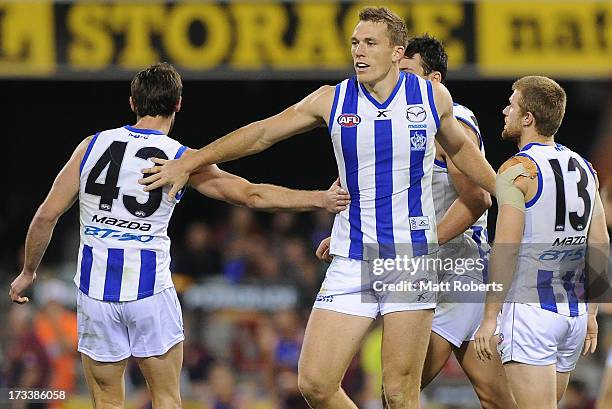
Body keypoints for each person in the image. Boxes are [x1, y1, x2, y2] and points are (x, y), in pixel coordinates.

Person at [140, 8, 497, 408]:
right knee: (315, 383)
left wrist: (512, 195)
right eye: (355, 43)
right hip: (352, 257)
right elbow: (261, 134)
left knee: (399, 393)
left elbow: (462, 151)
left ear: (397, 53)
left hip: (411, 260)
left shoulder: (431, 98)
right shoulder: (333, 98)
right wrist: (190, 161)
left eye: (370, 43)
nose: (359, 52)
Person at [8, 62, 350, 409]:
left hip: (95, 294)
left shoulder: (91, 146)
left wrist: (28, 272)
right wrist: (320, 199)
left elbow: (45, 216)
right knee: (168, 398)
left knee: (107, 401)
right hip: (150, 291)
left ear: (132, 103)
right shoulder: (180, 159)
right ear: (178, 105)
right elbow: (251, 195)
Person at [317, 34, 516, 409]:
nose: (398, 80)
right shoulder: (404, 120)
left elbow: (476, 198)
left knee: (397, 394)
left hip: (455, 269)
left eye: (407, 72)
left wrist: (414, 244)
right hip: (443, 267)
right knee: (494, 395)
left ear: (435, 80)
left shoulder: (450, 120)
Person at [474, 76, 609, 409]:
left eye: (512, 103)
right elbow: (600, 242)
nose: (505, 110)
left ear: (528, 118)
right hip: (573, 315)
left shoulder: (518, 170)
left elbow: (506, 247)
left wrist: (490, 318)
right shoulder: (584, 167)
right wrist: (591, 313)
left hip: (531, 313)